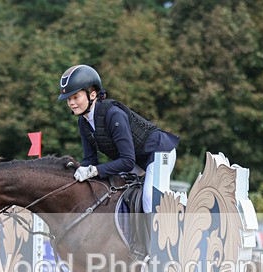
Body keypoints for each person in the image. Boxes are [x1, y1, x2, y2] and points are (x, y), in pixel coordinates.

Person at [57, 65, 179, 215]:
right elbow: (90, 159)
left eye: (76, 97)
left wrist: (95, 171)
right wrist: (76, 174)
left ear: (93, 95)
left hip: (160, 152)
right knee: (113, 190)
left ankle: (169, 231)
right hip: (136, 160)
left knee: (150, 199)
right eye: (69, 99)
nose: (71, 103)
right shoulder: (83, 122)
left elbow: (127, 161)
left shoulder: (113, 115)